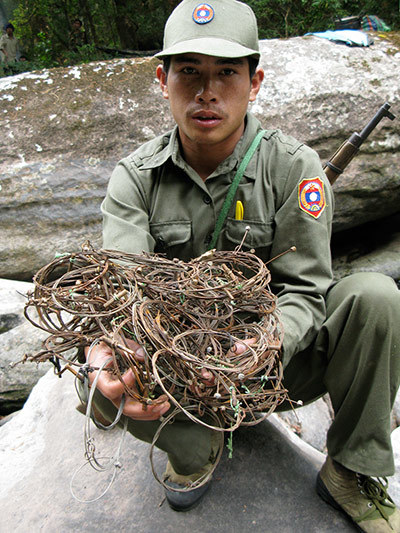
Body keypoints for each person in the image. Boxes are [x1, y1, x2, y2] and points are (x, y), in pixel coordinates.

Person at [83, 0, 400, 529]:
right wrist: (115, 354)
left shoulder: (293, 167)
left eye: (227, 73)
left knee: (376, 297)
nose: (207, 92)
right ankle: (194, 450)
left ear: (254, 83)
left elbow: (306, 289)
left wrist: (268, 342)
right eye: (189, 72)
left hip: (274, 366)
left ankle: (349, 469)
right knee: (91, 370)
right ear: (163, 80)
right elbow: (122, 292)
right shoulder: (135, 177)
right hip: (177, 370)